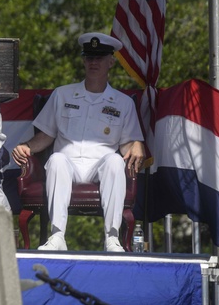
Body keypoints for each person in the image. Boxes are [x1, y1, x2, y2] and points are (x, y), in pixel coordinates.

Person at [11, 32, 146, 252]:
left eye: (99, 58)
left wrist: (138, 143)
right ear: (83, 60)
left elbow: (127, 145)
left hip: (100, 165)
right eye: (89, 57)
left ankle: (112, 237)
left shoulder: (122, 103)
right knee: (56, 159)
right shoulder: (62, 95)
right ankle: (57, 236)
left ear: (110, 62)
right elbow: (46, 135)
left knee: (115, 161)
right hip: (68, 163)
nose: (94, 62)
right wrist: (26, 146)